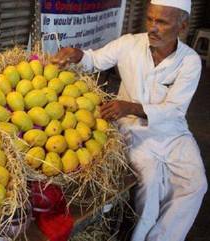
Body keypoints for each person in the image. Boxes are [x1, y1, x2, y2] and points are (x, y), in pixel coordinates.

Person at [51, 0, 207, 240]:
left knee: (195, 184)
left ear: (182, 26)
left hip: (174, 133)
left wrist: (129, 106)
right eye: (150, 19)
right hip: (133, 129)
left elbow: (174, 110)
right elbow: (95, 59)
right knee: (151, 183)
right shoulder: (129, 44)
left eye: (162, 22)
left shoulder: (189, 61)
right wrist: (76, 54)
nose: (153, 27)